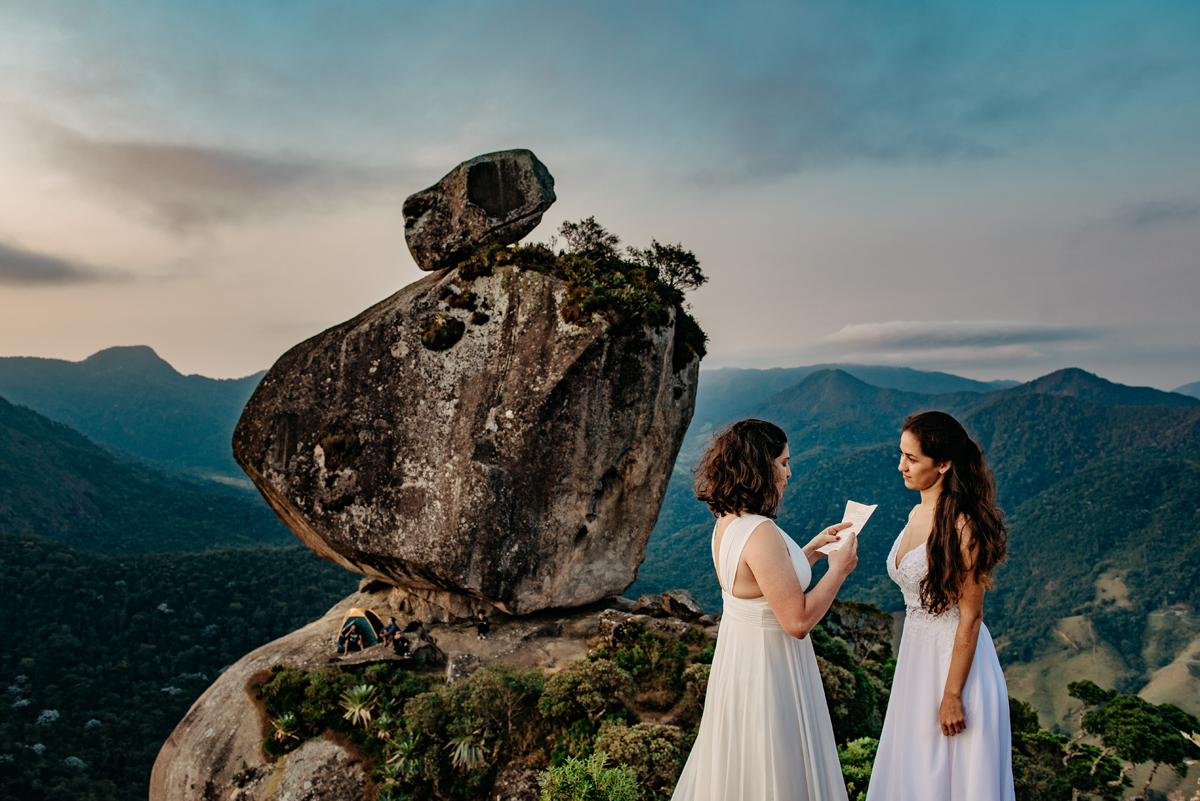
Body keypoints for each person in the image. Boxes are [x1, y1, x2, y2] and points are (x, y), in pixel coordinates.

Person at [671, 419, 859, 801]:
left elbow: (760, 585)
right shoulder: (761, 531)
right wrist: (838, 571)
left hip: (741, 663)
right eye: (784, 462)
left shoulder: (728, 521)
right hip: (771, 669)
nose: (789, 472)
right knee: (776, 765)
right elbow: (797, 620)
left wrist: (812, 551)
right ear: (760, 465)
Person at [867, 411, 1014, 801]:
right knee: (917, 773)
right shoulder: (916, 512)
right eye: (901, 454)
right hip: (916, 660)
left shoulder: (965, 527)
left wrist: (952, 695)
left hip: (955, 666)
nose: (901, 466)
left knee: (953, 776)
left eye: (912, 459)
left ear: (944, 464)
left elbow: (971, 616)